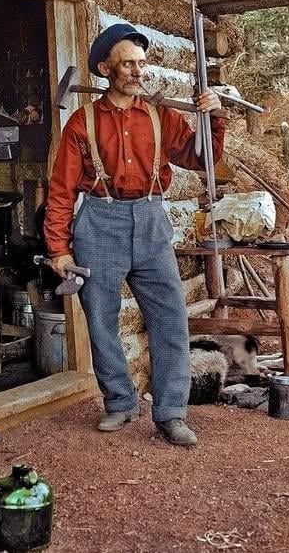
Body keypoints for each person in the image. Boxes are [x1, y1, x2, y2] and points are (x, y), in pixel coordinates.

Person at [44, 22, 224, 447]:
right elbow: (61, 189)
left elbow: (204, 159)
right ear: (105, 68)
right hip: (99, 222)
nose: (137, 71)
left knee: (170, 317)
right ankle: (121, 402)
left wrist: (212, 117)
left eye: (141, 63)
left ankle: (171, 412)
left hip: (150, 220)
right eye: (127, 64)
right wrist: (58, 248)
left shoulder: (161, 116)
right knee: (102, 319)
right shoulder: (81, 123)